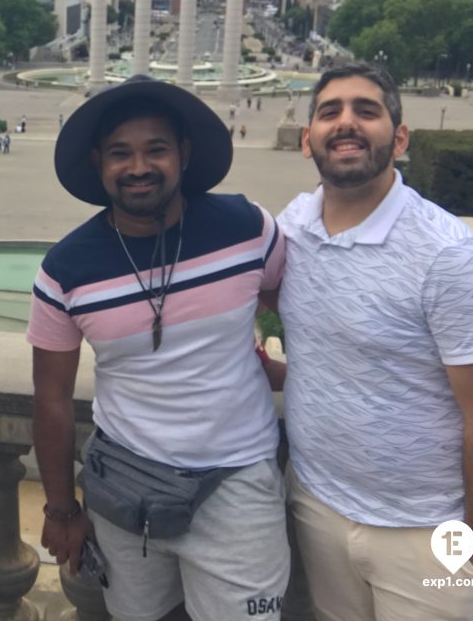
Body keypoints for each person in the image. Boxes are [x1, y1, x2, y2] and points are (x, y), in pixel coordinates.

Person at [29, 75, 289, 621]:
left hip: (237, 483)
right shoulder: (65, 270)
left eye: (156, 150)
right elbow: (50, 398)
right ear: (100, 162)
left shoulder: (247, 228)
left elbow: (287, 309)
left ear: (185, 155)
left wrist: (265, 358)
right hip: (127, 493)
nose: (139, 166)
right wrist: (60, 509)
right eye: (121, 153)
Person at [270, 62, 473, 621]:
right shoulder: (292, 228)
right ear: (308, 141)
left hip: (429, 530)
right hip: (318, 503)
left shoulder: (447, 257)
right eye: (330, 112)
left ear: (399, 138)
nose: (347, 122)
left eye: (367, 110)